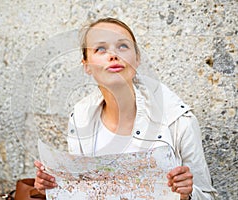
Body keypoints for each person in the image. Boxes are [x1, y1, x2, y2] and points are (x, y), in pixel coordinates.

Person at [34, 17, 217, 200]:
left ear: (137, 59)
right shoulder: (80, 118)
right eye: (100, 49)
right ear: (87, 65)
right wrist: (54, 188)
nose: (113, 55)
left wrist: (188, 194)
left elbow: (209, 196)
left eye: (122, 46)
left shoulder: (179, 120)